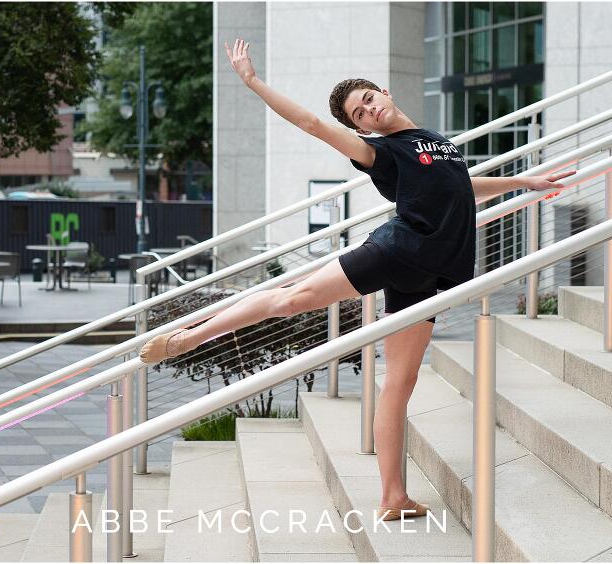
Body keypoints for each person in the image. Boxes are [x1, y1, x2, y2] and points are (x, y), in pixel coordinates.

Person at [141, 38, 575, 520]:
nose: (368, 110)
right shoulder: (382, 153)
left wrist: (522, 182)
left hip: (432, 274)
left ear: (384, 92)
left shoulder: (436, 142)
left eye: (369, 98)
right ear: (361, 127)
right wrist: (252, 81)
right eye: (359, 113)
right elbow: (312, 125)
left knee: (401, 382)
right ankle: (188, 337)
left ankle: (393, 496)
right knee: (292, 299)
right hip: (398, 251)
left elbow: (460, 185)